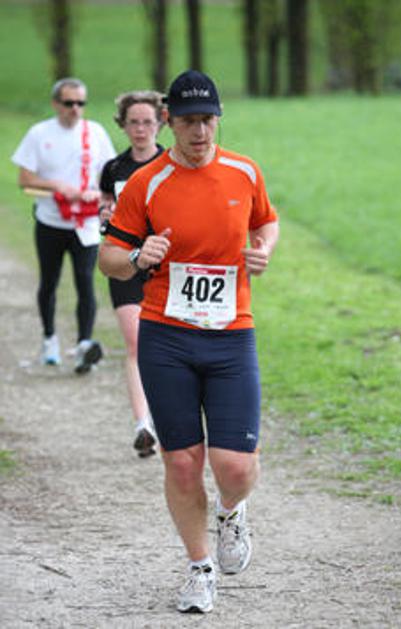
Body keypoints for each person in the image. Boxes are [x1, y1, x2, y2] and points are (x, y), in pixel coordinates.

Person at [98, 70, 279, 613]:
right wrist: (137, 256)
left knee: (235, 466)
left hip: (230, 335)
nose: (199, 132)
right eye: (188, 121)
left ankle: (231, 511)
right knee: (181, 462)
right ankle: (200, 567)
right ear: (169, 122)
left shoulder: (244, 172)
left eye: (208, 120)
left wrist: (264, 250)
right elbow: (108, 258)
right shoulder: (145, 183)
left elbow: (267, 223)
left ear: (218, 119)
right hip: (167, 336)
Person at [11, 77, 116, 374]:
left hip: (86, 222)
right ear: (56, 104)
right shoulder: (39, 133)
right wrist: (56, 185)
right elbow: (24, 179)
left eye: (81, 103)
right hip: (51, 221)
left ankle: (84, 345)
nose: (75, 109)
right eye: (69, 103)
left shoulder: (95, 133)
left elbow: (109, 172)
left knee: (85, 281)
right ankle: (49, 339)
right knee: (50, 281)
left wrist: (100, 194)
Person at [99, 91, 166, 457]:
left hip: (164, 264)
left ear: (160, 123)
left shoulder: (171, 165)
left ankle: (165, 416)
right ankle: (143, 424)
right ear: (122, 125)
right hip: (126, 262)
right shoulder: (113, 168)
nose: (140, 129)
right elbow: (105, 210)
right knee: (136, 343)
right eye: (133, 122)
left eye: (147, 122)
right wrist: (105, 216)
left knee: (164, 345)